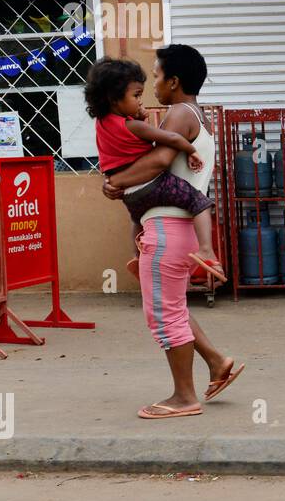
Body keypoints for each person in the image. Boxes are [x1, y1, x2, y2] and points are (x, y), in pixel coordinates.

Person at [102, 45, 244, 418]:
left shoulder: (180, 112)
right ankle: (216, 362)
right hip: (176, 228)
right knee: (173, 309)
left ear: (175, 81)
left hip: (167, 226)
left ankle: (184, 397)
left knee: (162, 315)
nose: (154, 86)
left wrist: (115, 182)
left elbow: (160, 160)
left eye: (159, 76)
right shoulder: (194, 114)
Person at [83, 58, 225, 282]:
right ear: (114, 99)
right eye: (137, 95)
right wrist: (190, 150)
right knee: (200, 201)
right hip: (156, 193)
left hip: (130, 194)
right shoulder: (135, 124)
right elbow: (165, 149)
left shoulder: (102, 123)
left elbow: (122, 155)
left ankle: (135, 255)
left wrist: (114, 182)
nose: (142, 99)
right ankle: (207, 249)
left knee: (136, 217)